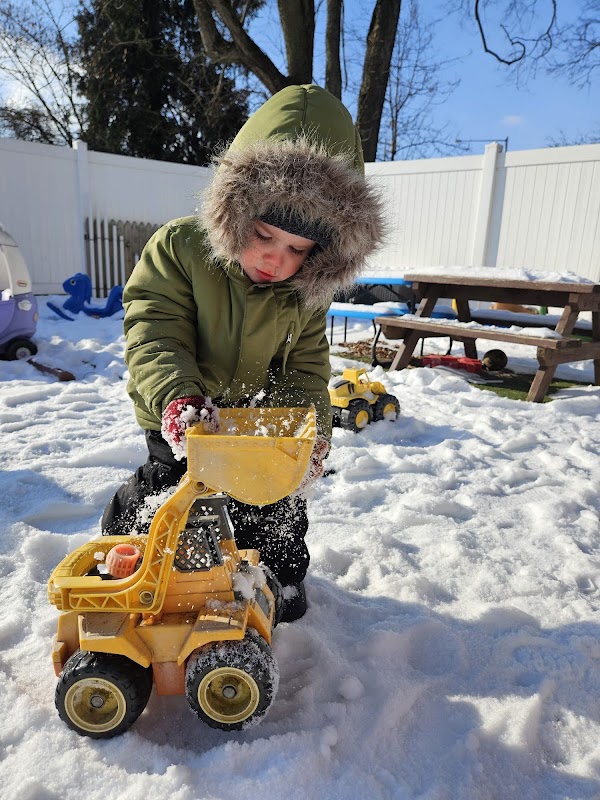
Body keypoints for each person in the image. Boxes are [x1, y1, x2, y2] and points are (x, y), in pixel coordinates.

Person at [101, 83, 385, 621]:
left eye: (298, 249)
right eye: (263, 234)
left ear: (322, 253)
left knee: (274, 502)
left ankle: (278, 577)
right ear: (236, 212)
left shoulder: (305, 291)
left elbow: (305, 368)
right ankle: (126, 561)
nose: (276, 260)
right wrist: (179, 397)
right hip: (182, 417)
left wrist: (309, 431)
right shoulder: (180, 249)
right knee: (166, 499)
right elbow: (156, 330)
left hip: (257, 424)